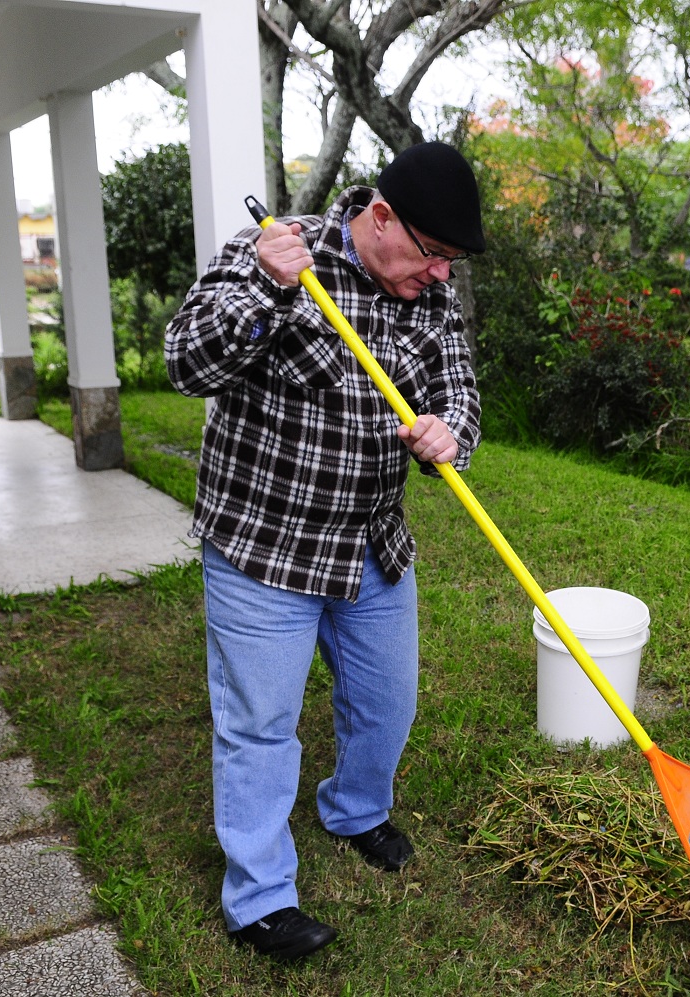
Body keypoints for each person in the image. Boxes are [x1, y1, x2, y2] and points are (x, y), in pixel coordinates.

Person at [165, 141, 484, 962]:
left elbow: (458, 391)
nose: (440, 275)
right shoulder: (276, 252)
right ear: (380, 218)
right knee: (260, 725)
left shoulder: (429, 296)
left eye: (450, 261)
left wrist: (451, 430)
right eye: (432, 255)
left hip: (370, 544)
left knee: (388, 705)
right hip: (264, 546)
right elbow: (186, 363)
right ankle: (260, 898)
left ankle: (352, 809)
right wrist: (268, 291)